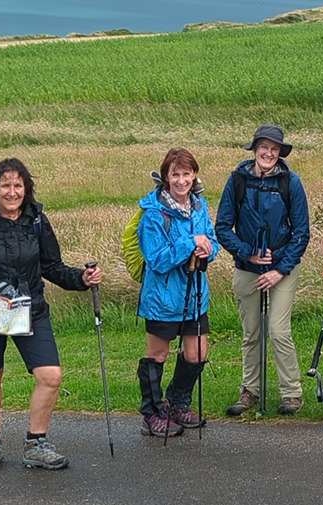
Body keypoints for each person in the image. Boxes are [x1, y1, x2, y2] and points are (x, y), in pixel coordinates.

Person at [0, 158, 102, 471]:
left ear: (26, 189)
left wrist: (81, 280)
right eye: (6, 185)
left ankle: (36, 443)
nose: (12, 191)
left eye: (18, 185)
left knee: (51, 376)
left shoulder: (37, 220)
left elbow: (52, 266)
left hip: (30, 310)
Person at [215, 124, 310, 416]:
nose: (269, 153)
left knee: (279, 330)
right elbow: (222, 226)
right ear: (255, 149)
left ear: (280, 152)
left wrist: (279, 269)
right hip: (247, 267)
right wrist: (246, 253)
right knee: (251, 332)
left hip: (282, 267)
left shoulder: (290, 183)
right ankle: (250, 391)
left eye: (274, 148)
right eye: (264, 147)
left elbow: (301, 233)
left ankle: (292, 393)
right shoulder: (238, 180)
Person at [136, 148, 219, 437]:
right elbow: (156, 260)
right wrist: (190, 243)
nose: (181, 180)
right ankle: (152, 412)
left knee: (197, 353)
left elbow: (211, 240)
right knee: (158, 354)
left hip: (195, 295)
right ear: (166, 177)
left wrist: (208, 248)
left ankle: (177, 403)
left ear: (194, 175)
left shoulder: (199, 206)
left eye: (186, 174)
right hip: (162, 297)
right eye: (175, 174)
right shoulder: (153, 215)